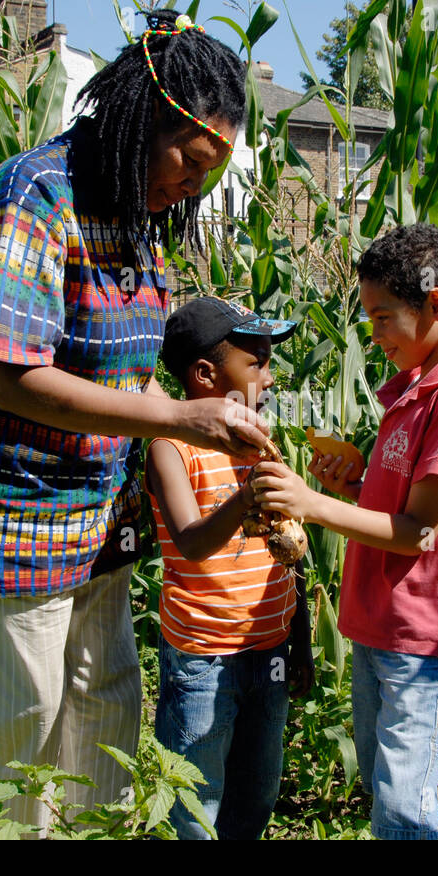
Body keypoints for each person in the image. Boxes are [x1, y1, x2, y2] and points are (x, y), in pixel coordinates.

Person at [0, 10, 267, 833]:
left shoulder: (133, 215)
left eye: (205, 178)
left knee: (106, 701)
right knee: (29, 715)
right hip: (15, 513)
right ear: (137, 120)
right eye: (188, 163)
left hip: (97, 513)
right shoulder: (37, 195)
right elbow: (15, 377)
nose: (189, 188)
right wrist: (179, 419)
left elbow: (115, 362)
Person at [253, 223, 438, 840]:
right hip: (377, 618)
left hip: (419, 628)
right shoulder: (412, 395)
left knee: (402, 800)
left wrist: (311, 504)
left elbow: (417, 533)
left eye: (384, 316)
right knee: (379, 778)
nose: (374, 333)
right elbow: (395, 508)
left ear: (436, 305)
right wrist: (353, 483)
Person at [145, 297, 314, 840]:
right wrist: (243, 499)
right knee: (195, 802)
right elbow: (191, 542)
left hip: (270, 649)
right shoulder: (171, 447)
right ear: (205, 375)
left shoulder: (259, 439)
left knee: (255, 794)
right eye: (257, 362)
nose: (268, 376)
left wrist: (300, 634)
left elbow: (283, 547)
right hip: (204, 661)